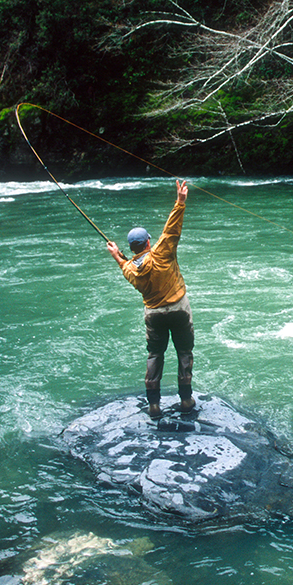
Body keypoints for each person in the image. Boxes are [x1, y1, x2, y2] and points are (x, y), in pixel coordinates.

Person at [107, 180, 195, 419]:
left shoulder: (130, 270)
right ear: (148, 242)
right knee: (184, 351)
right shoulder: (162, 252)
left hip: (153, 315)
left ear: (132, 248)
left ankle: (154, 406)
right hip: (179, 309)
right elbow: (171, 229)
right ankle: (186, 400)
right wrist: (180, 201)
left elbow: (127, 266)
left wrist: (117, 255)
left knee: (155, 355)